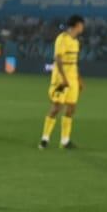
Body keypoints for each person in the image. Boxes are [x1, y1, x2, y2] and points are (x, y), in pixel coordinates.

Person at [40, 14, 85, 150]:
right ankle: (44, 139)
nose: (83, 28)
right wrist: (64, 79)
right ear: (77, 25)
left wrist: (78, 79)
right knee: (56, 107)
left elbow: (74, 63)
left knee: (71, 108)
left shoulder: (76, 42)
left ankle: (65, 141)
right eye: (82, 25)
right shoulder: (62, 39)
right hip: (60, 79)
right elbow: (58, 60)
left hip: (72, 79)